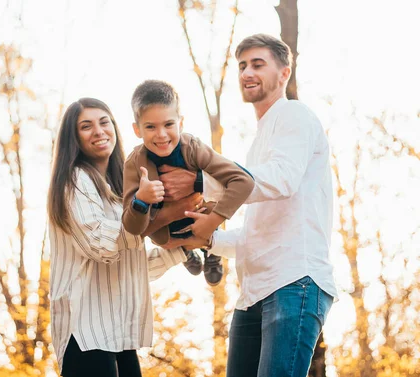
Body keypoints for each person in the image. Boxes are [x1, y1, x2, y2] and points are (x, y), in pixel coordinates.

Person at [186, 34, 338, 377]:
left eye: (257, 64)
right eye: (242, 66)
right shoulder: (258, 145)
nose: (246, 72)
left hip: (294, 281)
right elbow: (254, 236)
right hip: (253, 293)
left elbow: (282, 178)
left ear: (284, 73)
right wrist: (207, 237)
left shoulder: (295, 114)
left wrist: (205, 181)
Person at [47, 97, 209, 377]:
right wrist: (155, 209)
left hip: (117, 333)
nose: (99, 131)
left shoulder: (120, 188)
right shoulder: (75, 181)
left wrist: (183, 246)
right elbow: (102, 246)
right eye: (86, 126)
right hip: (85, 333)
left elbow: (131, 264)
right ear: (73, 138)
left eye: (104, 122)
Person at [121, 80, 255, 286]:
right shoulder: (134, 164)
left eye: (168, 124)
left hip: (203, 219)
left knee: (211, 199)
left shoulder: (192, 148)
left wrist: (211, 223)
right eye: (150, 127)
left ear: (180, 123)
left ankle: (212, 252)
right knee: (158, 236)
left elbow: (243, 181)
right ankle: (183, 252)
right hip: (166, 234)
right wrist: (141, 200)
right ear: (137, 130)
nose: (161, 134)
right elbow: (132, 227)